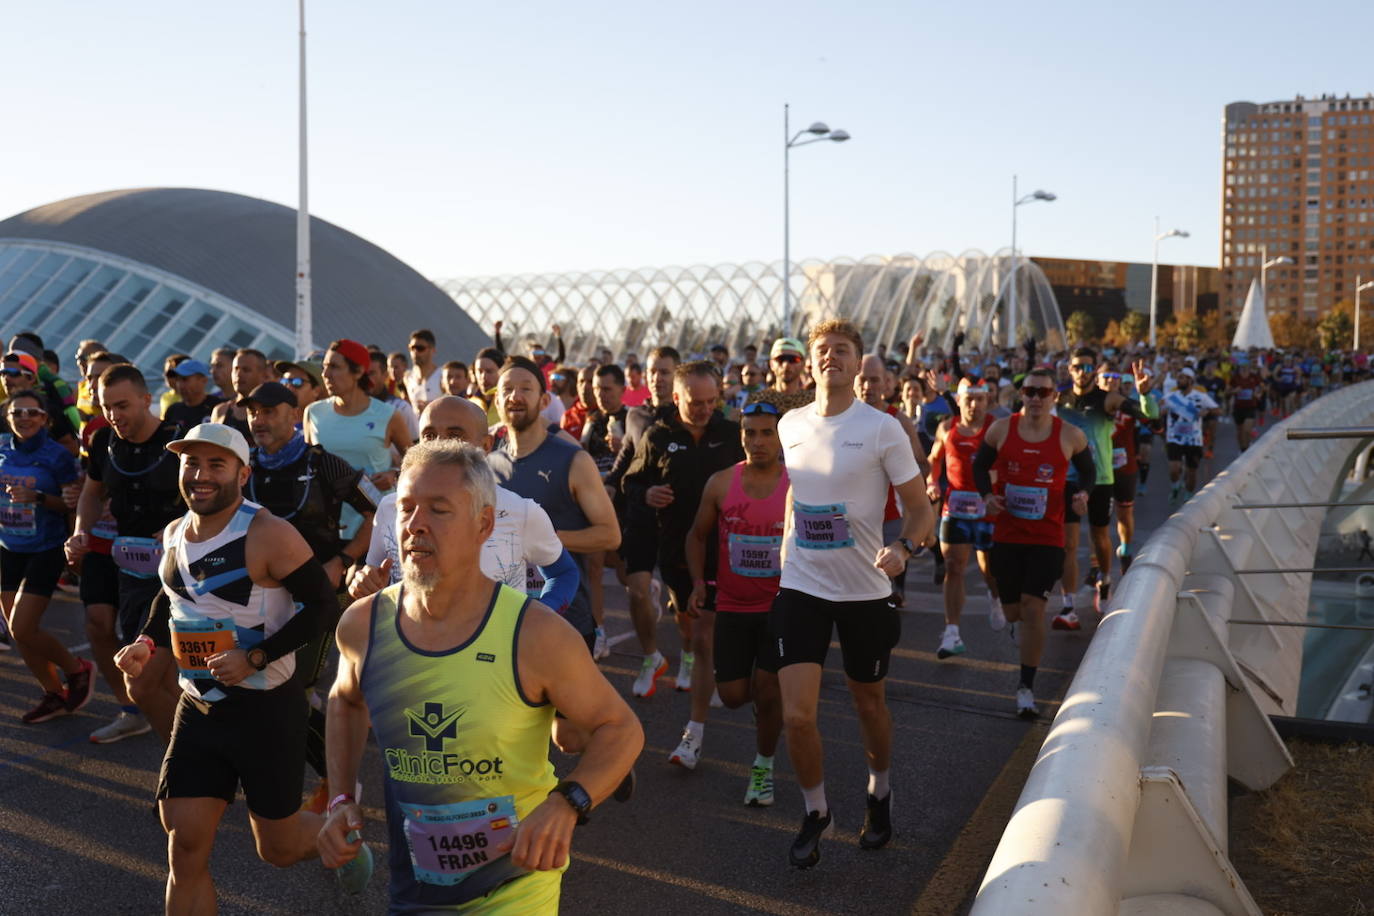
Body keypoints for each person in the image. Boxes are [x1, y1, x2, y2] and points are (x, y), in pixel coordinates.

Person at [317, 440, 643, 911]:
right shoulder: (363, 625)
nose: (416, 524)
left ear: (483, 525)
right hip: (414, 893)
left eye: (439, 510)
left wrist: (567, 803)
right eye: (406, 508)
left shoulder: (535, 634)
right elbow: (345, 701)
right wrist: (341, 798)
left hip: (516, 887)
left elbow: (622, 728)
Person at [112, 423, 341, 912]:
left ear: (243, 473)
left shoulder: (269, 534)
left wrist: (255, 657)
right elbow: (171, 597)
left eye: (216, 464)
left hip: (266, 712)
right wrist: (145, 643)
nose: (201, 475)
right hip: (198, 710)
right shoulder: (175, 533)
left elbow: (323, 607)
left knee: (276, 849)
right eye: (192, 463)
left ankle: (341, 835)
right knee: (185, 846)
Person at [771, 319, 933, 868]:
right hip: (801, 585)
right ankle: (816, 810)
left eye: (842, 350)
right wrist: (786, 544)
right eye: (822, 350)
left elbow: (920, 509)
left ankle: (879, 791)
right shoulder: (790, 423)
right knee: (797, 715)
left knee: (869, 704)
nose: (830, 357)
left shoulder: (882, 428)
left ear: (857, 362)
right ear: (810, 362)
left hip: (865, 588)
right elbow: (797, 491)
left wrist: (905, 549)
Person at [347, 396, 580, 630]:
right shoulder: (392, 508)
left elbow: (564, 573)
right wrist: (363, 583)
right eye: (429, 435)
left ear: (486, 446)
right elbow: (374, 577)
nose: (439, 446)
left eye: (455, 436)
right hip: (408, 656)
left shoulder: (520, 511)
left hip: (494, 661)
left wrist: (537, 619)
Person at [624, 361, 744, 767]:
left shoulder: (731, 433)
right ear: (676, 399)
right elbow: (632, 480)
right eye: (696, 403)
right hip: (677, 549)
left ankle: (693, 735)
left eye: (713, 401)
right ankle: (696, 657)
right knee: (691, 626)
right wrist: (649, 492)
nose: (706, 409)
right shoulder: (659, 435)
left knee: (708, 634)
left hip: (727, 548)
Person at [67, 363, 187, 742]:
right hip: (132, 569)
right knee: (149, 677)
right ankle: (186, 761)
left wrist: (178, 527)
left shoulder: (180, 440)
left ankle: (193, 761)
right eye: (107, 407)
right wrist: (80, 532)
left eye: (123, 406)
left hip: (181, 568)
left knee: (161, 676)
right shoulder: (103, 441)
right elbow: (91, 491)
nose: (114, 415)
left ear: (146, 399)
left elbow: (215, 498)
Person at [973, 367, 1093, 718]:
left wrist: (1083, 494)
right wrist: (986, 496)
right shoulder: (1001, 429)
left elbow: (1089, 471)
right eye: (1030, 392)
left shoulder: (1070, 435)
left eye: (1043, 392)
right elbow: (980, 466)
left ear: (1055, 396)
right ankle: (1016, 623)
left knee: (1034, 608)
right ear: (1021, 395)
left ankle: (1026, 687)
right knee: (1014, 611)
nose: (1036, 398)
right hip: (1008, 534)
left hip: (1048, 536)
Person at [684, 400, 787, 803]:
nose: (757, 441)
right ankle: (766, 712)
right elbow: (696, 535)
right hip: (732, 605)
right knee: (732, 696)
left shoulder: (798, 484)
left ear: (781, 438)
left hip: (781, 609)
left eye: (766, 433)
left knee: (768, 689)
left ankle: (763, 767)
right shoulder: (722, 482)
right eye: (750, 432)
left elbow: (827, 533)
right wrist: (697, 583)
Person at [1, 389, 90, 723]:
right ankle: (53, 693)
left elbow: (71, 504)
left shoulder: (58, 457)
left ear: (45, 419)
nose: (24, 418)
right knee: (17, 631)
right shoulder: (1, 448)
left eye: (32, 413)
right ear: (8, 417)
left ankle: (77, 669)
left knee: (23, 627)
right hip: (9, 547)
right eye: (17, 413)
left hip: (46, 547)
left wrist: (37, 497)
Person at [1055, 350, 1156, 624]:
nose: (1083, 372)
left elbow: (1149, 417)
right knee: (1069, 544)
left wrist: (1145, 395)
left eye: (1088, 367)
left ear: (1094, 370)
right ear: (1069, 368)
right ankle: (1068, 605)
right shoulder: (1060, 400)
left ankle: (1105, 580)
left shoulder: (1108, 399)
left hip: (1100, 479)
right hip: (1069, 479)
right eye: (1078, 366)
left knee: (1100, 537)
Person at [606, 347, 681, 696]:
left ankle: (693, 654)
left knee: (683, 600)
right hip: (639, 515)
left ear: (677, 375)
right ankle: (651, 656)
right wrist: (606, 487)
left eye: (665, 371)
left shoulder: (688, 417)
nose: (657, 378)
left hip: (678, 518)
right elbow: (625, 460)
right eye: (653, 371)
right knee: (636, 590)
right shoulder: (635, 415)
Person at [925, 378, 1003, 660]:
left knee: (989, 567)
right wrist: (932, 482)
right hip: (955, 508)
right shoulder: (947, 428)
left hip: (987, 508)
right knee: (954, 567)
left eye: (980, 399)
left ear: (987, 400)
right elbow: (934, 460)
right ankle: (952, 632)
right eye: (968, 399)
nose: (974, 404)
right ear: (958, 401)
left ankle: (995, 597)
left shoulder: (996, 429)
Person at [303, 339, 410, 541]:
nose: (325, 375)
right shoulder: (313, 412)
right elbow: (307, 469)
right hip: (325, 526)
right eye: (324, 367)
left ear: (359, 371)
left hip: (376, 526)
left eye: (334, 367)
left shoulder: (388, 415)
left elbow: (416, 463)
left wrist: (395, 475)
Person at [1164, 367, 1221, 506]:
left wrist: (1206, 412)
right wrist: (1161, 411)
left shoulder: (1200, 396)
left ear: (1190, 380)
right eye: (1178, 377)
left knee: (1192, 472)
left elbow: (1218, 409)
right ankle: (1176, 486)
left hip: (1193, 440)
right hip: (1174, 438)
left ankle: (1188, 496)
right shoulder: (1171, 396)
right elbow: (1157, 409)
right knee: (1174, 469)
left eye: (1182, 378)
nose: (1179, 380)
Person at [2, 351, 79, 453]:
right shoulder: (2, 409)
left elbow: (72, 447)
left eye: (13, 373)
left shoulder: (48, 408)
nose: (6, 378)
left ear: (31, 378)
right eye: (3, 373)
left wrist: (38, 459)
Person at [209, 348, 270, 440]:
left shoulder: (273, 412)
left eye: (246, 370)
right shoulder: (221, 411)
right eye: (236, 369)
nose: (239, 374)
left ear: (263, 376)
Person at [747, 337, 814, 414]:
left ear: (803, 364)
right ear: (771, 364)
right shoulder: (758, 400)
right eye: (780, 359)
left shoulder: (811, 402)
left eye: (794, 359)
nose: (786, 365)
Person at [163, 359, 222, 427]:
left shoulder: (219, 407)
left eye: (185, 379)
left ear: (203, 380)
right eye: (177, 379)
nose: (180, 385)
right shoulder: (173, 411)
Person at [404, 329, 442, 416]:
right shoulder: (407, 377)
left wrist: (431, 408)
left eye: (420, 348)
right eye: (412, 348)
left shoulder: (442, 376)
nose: (415, 352)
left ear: (432, 350)